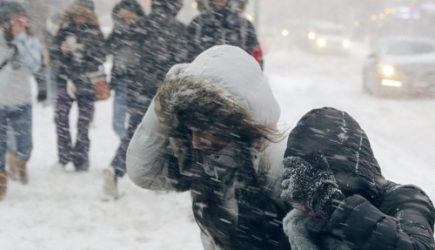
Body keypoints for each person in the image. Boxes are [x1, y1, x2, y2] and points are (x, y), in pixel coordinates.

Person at [126, 45, 291, 249]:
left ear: (236, 123)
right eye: (190, 131)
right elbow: (143, 172)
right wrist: (166, 97)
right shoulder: (202, 162)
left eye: (204, 130)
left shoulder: (275, 161)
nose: (195, 142)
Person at [280, 107, 435, 249]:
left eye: (312, 200)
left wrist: (339, 208)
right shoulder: (301, 222)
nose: (307, 210)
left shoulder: (404, 199)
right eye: (300, 203)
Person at [103, 0, 187, 198]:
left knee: (135, 132)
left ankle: (115, 169)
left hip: (139, 89)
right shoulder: (179, 30)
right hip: (167, 90)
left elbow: (128, 58)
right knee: (168, 134)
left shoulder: (140, 26)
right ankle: (164, 178)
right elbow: (183, 61)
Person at [51, 0, 106, 171]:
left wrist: (82, 51)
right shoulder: (64, 29)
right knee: (61, 120)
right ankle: (64, 156)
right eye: (76, 14)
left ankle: (81, 159)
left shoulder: (95, 32)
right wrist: (62, 51)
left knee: (83, 124)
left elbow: (100, 57)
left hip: (86, 84)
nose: (78, 18)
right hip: (65, 81)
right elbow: (53, 53)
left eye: (82, 14)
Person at [0, 1, 42, 199]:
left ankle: (19, 162)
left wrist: (20, 40)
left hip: (22, 100)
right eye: (16, 18)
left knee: (26, 146)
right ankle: (1, 181)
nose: (20, 21)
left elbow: (34, 65)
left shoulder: (30, 40)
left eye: (22, 17)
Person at [105, 0, 145, 143]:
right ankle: (126, 144)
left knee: (136, 121)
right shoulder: (117, 33)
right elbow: (105, 49)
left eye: (131, 19)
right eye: (125, 19)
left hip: (137, 81)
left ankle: (126, 149)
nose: (128, 22)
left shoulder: (142, 34)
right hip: (120, 80)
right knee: (118, 122)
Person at [186, 0, 263, 67]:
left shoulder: (244, 25)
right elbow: (186, 55)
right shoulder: (197, 24)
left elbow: (256, 58)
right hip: (203, 81)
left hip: (235, 80)